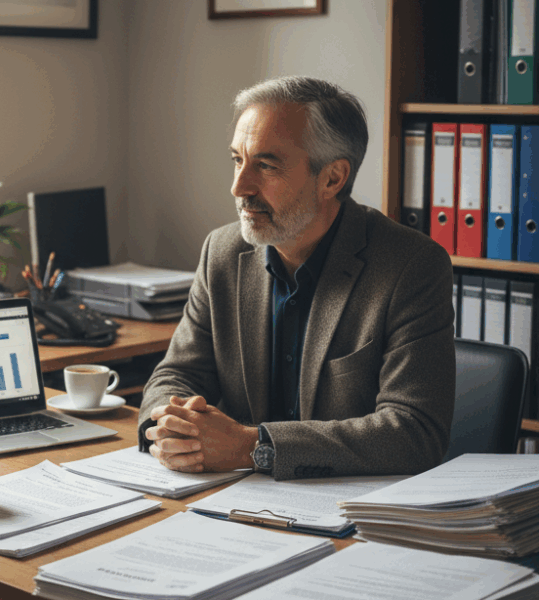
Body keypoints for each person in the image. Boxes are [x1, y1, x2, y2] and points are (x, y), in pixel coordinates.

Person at [139, 76, 455, 481]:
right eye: (238, 159)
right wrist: (170, 426)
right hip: (234, 499)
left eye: (266, 165)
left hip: (346, 509)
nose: (239, 186)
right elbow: (175, 375)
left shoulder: (410, 266)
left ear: (332, 179)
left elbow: (415, 431)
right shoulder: (221, 252)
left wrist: (251, 446)